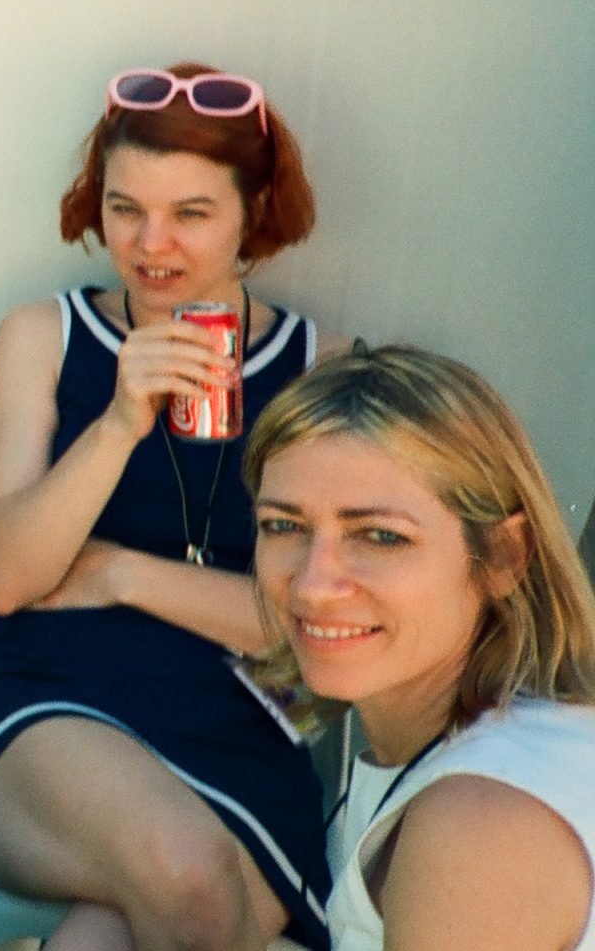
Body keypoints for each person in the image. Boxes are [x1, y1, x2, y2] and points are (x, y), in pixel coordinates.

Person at [0, 64, 339, 950]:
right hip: (48, 709)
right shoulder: (45, 337)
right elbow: (8, 576)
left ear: (253, 212)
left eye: (192, 212)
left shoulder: (322, 369)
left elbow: (309, 625)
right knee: (186, 871)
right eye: (124, 208)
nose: (152, 244)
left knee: (107, 933)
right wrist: (117, 422)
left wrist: (116, 574)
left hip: (247, 725)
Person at [249, 345, 595, 951]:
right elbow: (279, 694)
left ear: (504, 556)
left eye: (381, 536)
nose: (313, 584)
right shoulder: (519, 722)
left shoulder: (480, 829)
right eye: (284, 526)